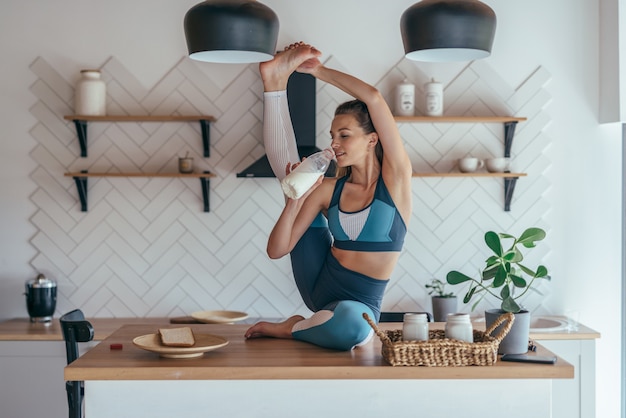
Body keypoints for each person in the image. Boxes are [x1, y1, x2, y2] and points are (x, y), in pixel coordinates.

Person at [244, 42, 412, 351]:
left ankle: (291, 329)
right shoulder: (328, 190)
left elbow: (373, 98)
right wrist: (294, 201)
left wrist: (317, 71)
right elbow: (277, 250)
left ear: (372, 139)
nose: (334, 144)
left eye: (344, 135)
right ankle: (274, 82)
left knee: (353, 324)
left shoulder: (395, 182)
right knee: (293, 181)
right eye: (333, 137)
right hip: (319, 286)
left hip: (361, 307)